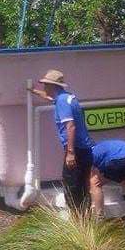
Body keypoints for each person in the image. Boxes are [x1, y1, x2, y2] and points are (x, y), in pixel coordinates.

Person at [28, 69, 95, 209]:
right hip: (85, 149)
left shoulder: (62, 102)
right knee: (82, 185)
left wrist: (71, 153)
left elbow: (70, 126)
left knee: (71, 185)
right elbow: (49, 98)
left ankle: (77, 220)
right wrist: (33, 91)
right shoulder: (66, 97)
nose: (44, 87)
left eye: (46, 85)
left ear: (53, 86)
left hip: (77, 150)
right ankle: (85, 218)